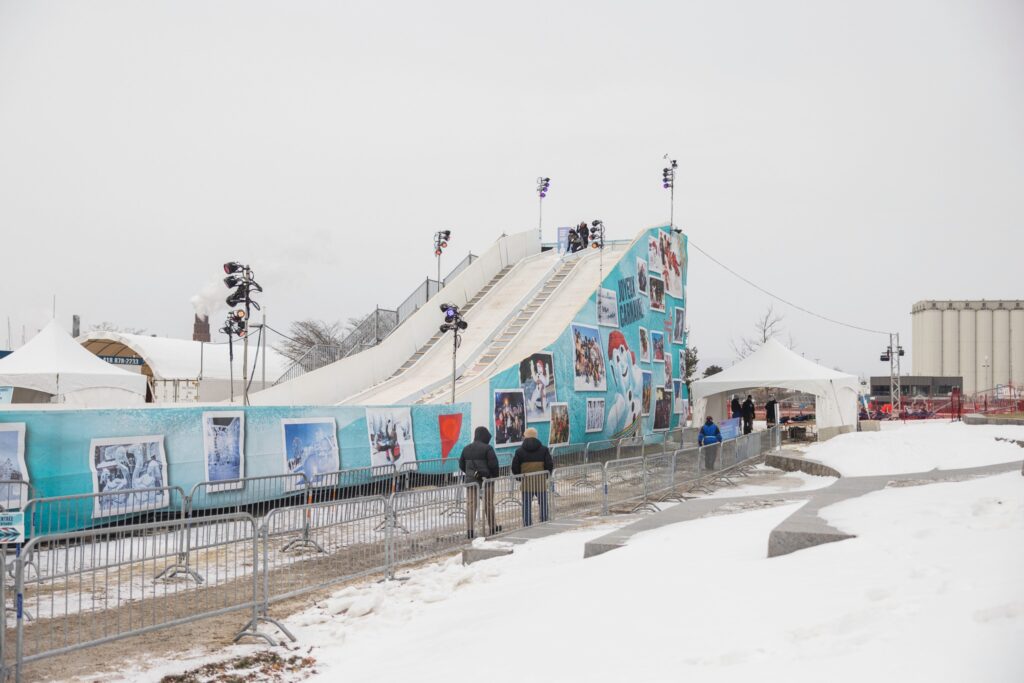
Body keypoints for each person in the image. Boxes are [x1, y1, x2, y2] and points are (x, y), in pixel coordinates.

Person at [458, 426, 499, 538]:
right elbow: (493, 465)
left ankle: (470, 530)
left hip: (471, 482)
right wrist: (493, 476)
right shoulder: (488, 448)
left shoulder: (466, 448)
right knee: (488, 504)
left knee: (471, 505)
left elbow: (461, 464)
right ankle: (492, 527)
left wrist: (470, 474)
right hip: (487, 481)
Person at [511, 427, 554, 526]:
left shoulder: (519, 451)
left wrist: (519, 478)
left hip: (526, 482)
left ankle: (527, 523)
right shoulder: (544, 449)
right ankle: (544, 521)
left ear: (525, 436)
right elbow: (549, 464)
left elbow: (515, 467)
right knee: (543, 503)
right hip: (540, 481)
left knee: (526, 505)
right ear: (536, 436)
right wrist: (546, 475)